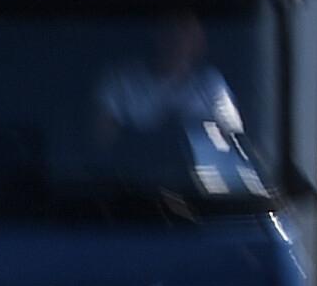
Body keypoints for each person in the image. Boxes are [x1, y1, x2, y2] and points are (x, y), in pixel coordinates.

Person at [93, 11, 256, 189]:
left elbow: (233, 135)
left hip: (202, 190)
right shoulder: (121, 79)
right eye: (170, 29)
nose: (177, 38)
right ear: (156, 34)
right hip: (134, 187)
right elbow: (102, 140)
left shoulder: (211, 83)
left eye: (185, 30)